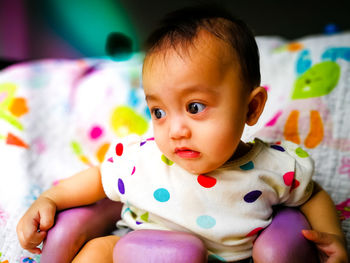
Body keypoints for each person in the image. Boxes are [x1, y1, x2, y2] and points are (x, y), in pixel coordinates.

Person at [17, 5, 348, 263]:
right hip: (139, 249)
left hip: (232, 257)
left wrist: (333, 237)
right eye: (159, 112)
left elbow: (313, 195)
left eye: (195, 107)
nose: (175, 131)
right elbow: (99, 178)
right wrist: (50, 199)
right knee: (95, 254)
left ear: (251, 108)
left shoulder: (273, 167)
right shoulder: (142, 160)